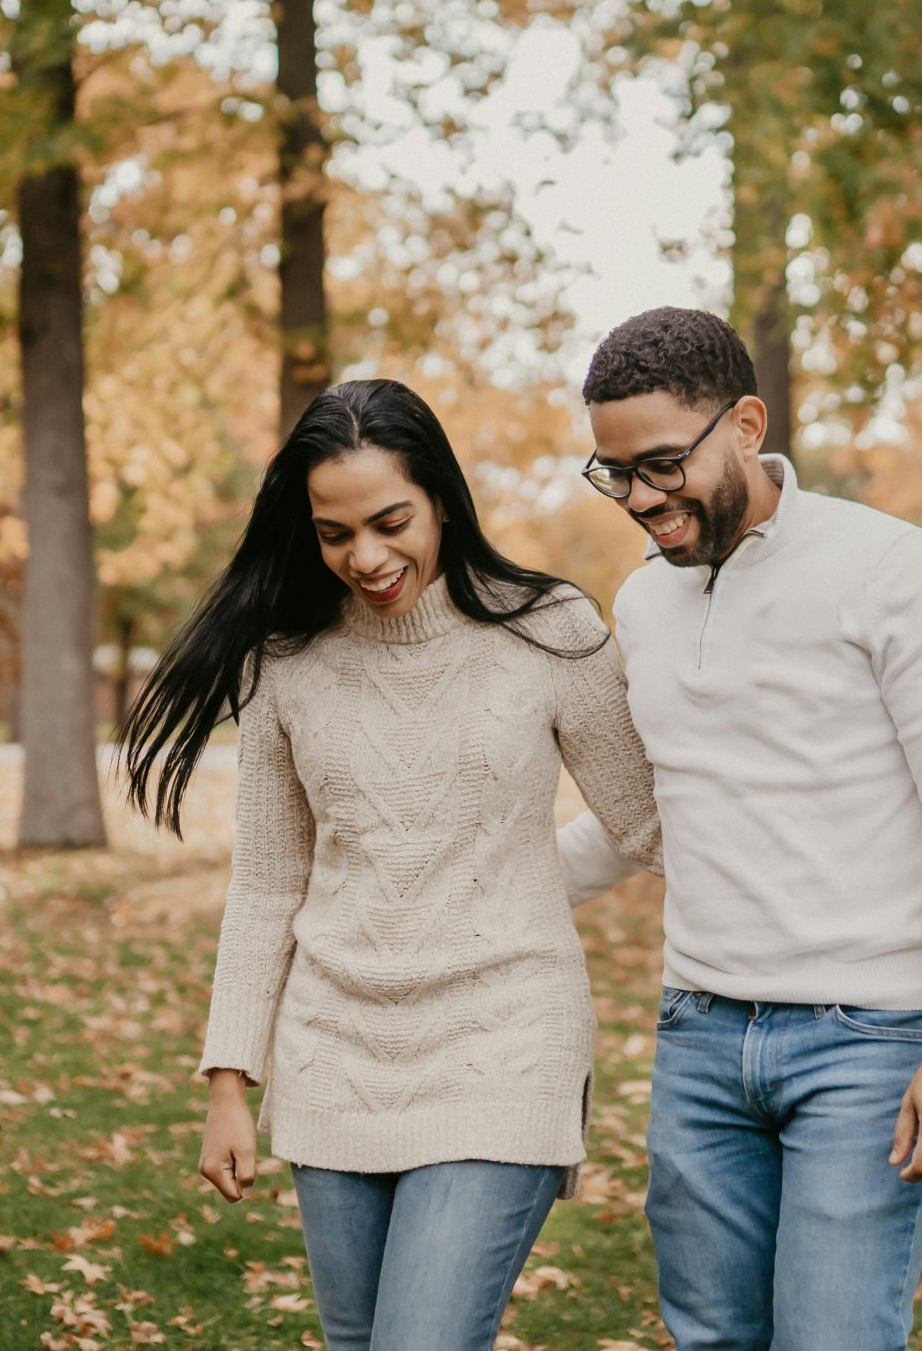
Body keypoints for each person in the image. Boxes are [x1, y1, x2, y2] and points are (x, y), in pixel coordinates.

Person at [118, 378, 663, 1351]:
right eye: (334, 534)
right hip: (333, 1056)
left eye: (389, 520)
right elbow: (267, 885)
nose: (365, 557)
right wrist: (226, 1083)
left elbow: (648, 821)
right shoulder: (286, 663)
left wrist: (520, 883)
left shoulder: (551, 629)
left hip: (504, 1044)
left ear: (442, 499)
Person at [558, 307, 922, 1351]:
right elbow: (644, 821)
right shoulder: (641, 607)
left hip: (866, 1041)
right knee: (715, 1339)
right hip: (700, 1036)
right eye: (614, 472)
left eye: (662, 463)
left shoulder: (891, 572)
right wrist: (463, 885)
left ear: (746, 424)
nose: (640, 498)